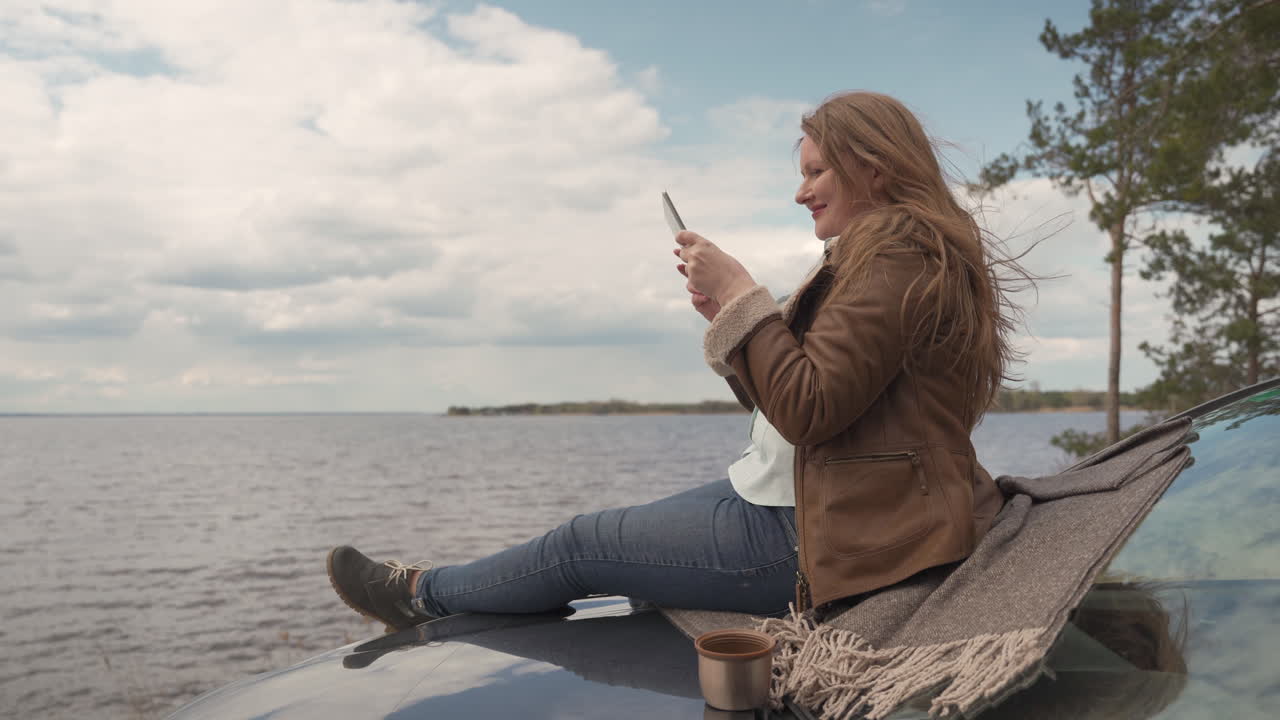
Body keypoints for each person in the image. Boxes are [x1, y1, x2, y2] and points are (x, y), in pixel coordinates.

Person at [327, 90, 1019, 632]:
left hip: (823, 536)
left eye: (814, 172)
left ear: (873, 164)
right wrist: (732, 322)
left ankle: (418, 596)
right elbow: (796, 405)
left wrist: (744, 296)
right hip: (797, 498)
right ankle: (436, 593)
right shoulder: (884, 253)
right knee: (601, 537)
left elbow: (809, 409)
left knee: (580, 546)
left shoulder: (898, 251)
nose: (800, 191)